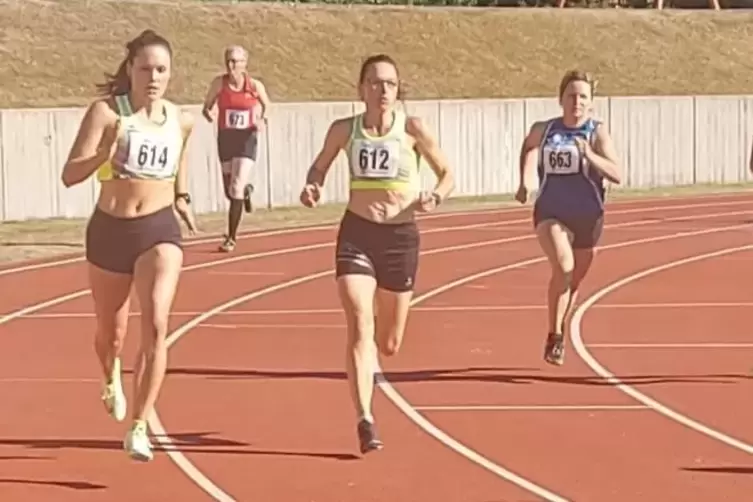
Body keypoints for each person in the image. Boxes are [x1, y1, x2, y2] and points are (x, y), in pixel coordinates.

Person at [299, 54, 454, 455]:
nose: (382, 90)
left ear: (398, 90)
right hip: (357, 233)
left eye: (389, 83)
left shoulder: (413, 129)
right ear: (361, 89)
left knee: (389, 344)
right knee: (358, 321)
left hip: (400, 238)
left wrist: (435, 196)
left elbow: (447, 174)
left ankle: (373, 381)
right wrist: (312, 186)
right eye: (374, 82)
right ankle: (364, 418)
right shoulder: (344, 130)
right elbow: (318, 168)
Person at [60, 29, 197, 462]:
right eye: (145, 68)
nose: (153, 77)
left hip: (157, 230)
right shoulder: (106, 113)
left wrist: (182, 198)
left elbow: (179, 167)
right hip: (110, 230)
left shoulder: (182, 120)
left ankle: (140, 425)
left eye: (161, 70)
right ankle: (110, 373)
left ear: (170, 74)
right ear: (131, 70)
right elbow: (69, 174)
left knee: (156, 321)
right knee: (111, 334)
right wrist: (104, 153)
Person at [515, 70, 622, 366]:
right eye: (571, 96)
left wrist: (590, 155)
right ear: (560, 99)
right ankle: (554, 335)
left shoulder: (597, 133)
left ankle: (558, 331)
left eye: (583, 97)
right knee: (563, 266)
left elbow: (617, 173)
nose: (577, 101)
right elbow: (528, 147)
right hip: (551, 211)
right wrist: (525, 181)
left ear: (591, 103)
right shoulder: (545, 129)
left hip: (589, 217)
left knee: (572, 282)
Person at [201, 45, 271, 252]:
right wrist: (208, 113)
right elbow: (206, 105)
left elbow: (267, 106)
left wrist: (261, 120)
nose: (231, 65)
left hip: (246, 138)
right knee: (229, 191)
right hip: (226, 138)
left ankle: (231, 237)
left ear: (244, 64)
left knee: (235, 186)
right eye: (229, 61)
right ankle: (246, 193)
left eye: (236, 61)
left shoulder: (254, 85)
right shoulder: (219, 84)